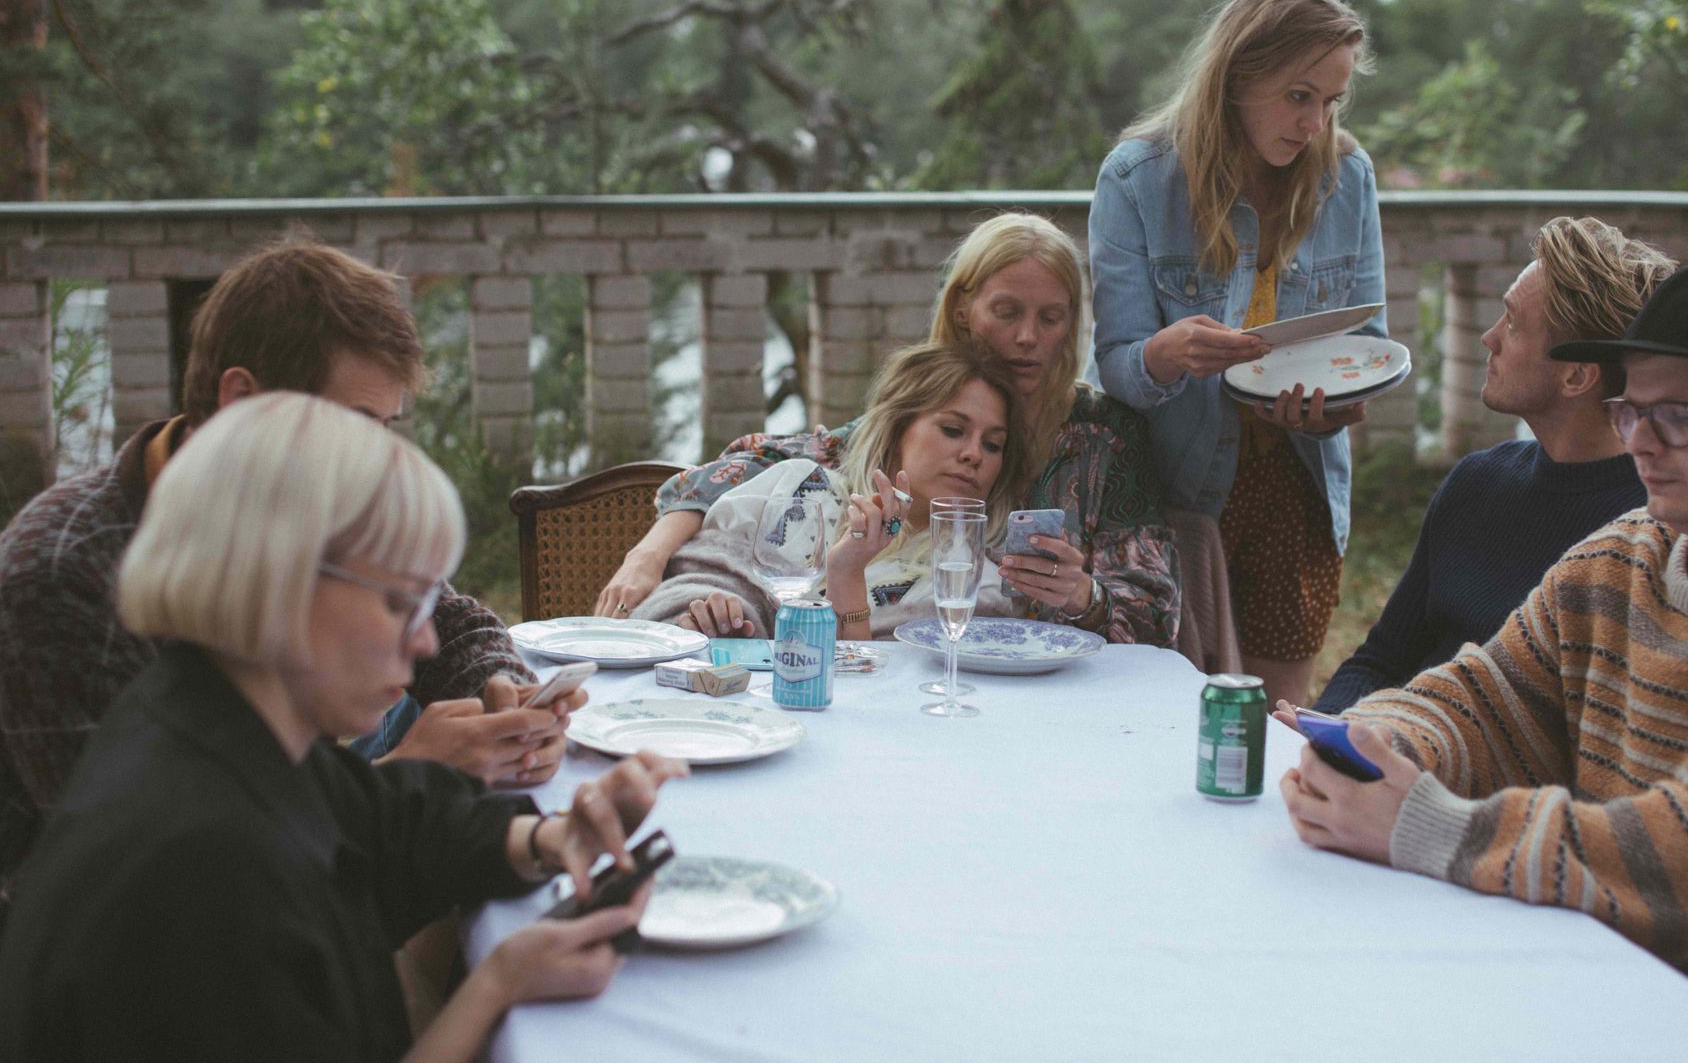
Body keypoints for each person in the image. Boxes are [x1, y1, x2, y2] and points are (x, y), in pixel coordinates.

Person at [1277, 260, 1688, 1063]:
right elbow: (1484, 696)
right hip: (1607, 974)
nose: (1641, 444)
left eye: (1679, 415)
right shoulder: (1626, 556)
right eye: (1629, 410)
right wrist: (1374, 743)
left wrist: (1431, 827)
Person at [0, 393, 687, 1061]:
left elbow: (386, 819)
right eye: (401, 601)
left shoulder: (211, 714)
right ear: (282, 581)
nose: (424, 643)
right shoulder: (205, 868)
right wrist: (496, 986)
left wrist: (551, 837)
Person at [0, 239, 580, 916]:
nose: (379, 462)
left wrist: (503, 695)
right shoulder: (62, 581)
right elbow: (160, 876)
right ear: (243, 400)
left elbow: (449, 620)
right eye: (355, 427)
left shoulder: (314, 509)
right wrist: (407, 778)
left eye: (388, 430)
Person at [596, 212, 1179, 646]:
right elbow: (752, 464)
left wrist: (1085, 597)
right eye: (1007, 312)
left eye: (1051, 318)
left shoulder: (1106, 437)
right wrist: (646, 556)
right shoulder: (921, 414)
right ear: (961, 310)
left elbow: (1158, 617)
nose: (1028, 337)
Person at [1087, 0, 1381, 706]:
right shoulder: (1137, 177)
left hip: (1296, 484)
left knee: (1276, 714)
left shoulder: (1347, 177)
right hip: (1173, 491)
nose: (1316, 123)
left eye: (1333, 100)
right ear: (1237, 77)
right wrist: (1166, 355)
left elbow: (1368, 342)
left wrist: (1339, 401)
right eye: (1299, 95)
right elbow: (1118, 366)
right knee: (1165, 711)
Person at [1312, 216, 1676, 713]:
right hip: (1384, 751)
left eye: (1512, 323)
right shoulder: (1478, 480)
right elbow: (1379, 660)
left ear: (1575, 376)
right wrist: (1324, 733)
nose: (1488, 338)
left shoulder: (1650, 534)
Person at [634, 341, 1027, 641]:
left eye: (993, 444)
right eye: (953, 430)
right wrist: (718, 616)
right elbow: (698, 579)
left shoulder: (973, 581)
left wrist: (847, 576)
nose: (974, 454)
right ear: (897, 428)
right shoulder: (799, 487)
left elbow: (882, 686)